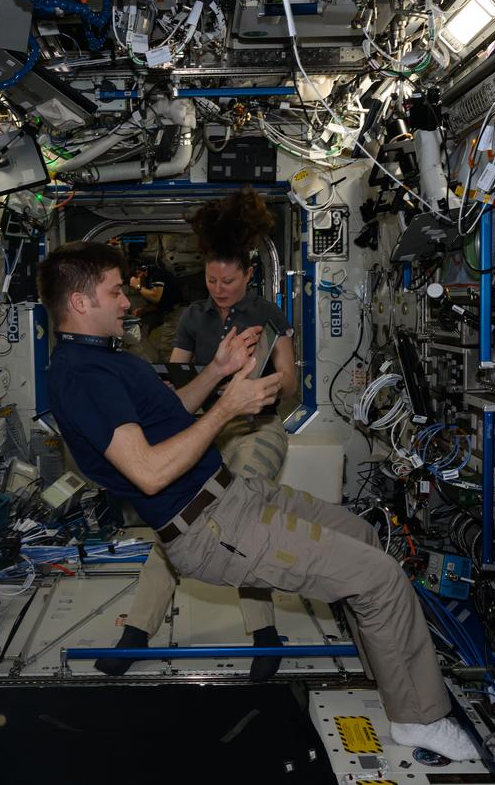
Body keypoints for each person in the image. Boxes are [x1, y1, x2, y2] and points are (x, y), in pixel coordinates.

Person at [40, 241, 479, 761]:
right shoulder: (79, 376)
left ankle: (390, 675)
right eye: (114, 292)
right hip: (210, 528)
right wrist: (228, 407)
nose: (126, 303)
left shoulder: (106, 359)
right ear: (81, 302)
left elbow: (166, 415)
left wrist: (218, 371)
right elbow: (150, 472)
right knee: (379, 579)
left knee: (363, 537)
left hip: (232, 494)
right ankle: (417, 719)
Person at [107, 190, 299, 680]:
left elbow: (293, 387)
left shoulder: (269, 316)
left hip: (258, 427)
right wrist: (211, 378)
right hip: (205, 429)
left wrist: (262, 384)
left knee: (238, 509)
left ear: (248, 275)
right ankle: (137, 632)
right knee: (178, 519)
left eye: (229, 281)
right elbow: (177, 389)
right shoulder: (192, 318)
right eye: (212, 280)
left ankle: (264, 635)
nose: (219, 288)